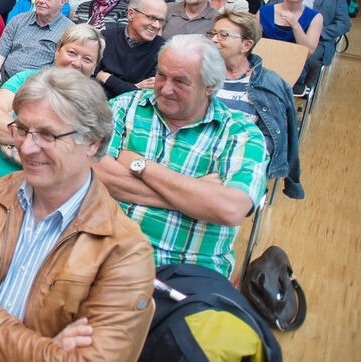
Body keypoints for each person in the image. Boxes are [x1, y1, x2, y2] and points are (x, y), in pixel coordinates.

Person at [0, 68, 156, 361]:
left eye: (47, 134)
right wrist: (46, 352)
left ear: (93, 143)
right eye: (21, 129)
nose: (27, 147)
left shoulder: (125, 250)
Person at [96, 35, 268, 277]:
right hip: (102, 251)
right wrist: (195, 197)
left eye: (180, 82)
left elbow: (230, 209)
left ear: (210, 86)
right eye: (161, 75)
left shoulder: (240, 134)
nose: (165, 89)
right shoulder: (125, 106)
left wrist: (141, 165)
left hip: (187, 270)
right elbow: (94, 172)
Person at [0, 24, 105, 197]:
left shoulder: (95, 106)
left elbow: (83, 161)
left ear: (95, 67)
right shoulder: (25, 79)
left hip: (45, 192)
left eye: (87, 59)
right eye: (71, 53)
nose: (77, 63)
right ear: (57, 51)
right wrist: (50, 147)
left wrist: (12, 144)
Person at [208, 11, 303, 199]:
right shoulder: (198, 72)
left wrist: (229, 166)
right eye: (212, 34)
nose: (213, 40)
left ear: (246, 45)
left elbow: (269, 140)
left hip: (238, 163)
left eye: (223, 35)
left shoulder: (270, 84)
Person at [0, 0, 73, 85]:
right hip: (4, 80)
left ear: (62, 2)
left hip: (38, 88)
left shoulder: (69, 33)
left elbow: (59, 73)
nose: (41, 0)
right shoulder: (18, 20)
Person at [95, 0, 167, 99]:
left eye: (160, 20)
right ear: (131, 14)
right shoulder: (106, 37)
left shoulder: (163, 49)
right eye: (151, 17)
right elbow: (91, 72)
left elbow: (146, 93)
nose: (157, 25)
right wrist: (133, 87)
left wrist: (107, 78)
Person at [258, 0, 323, 56]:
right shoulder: (264, 10)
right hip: (263, 57)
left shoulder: (315, 17)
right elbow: (254, 40)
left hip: (294, 60)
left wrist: (295, 25)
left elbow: (309, 51)